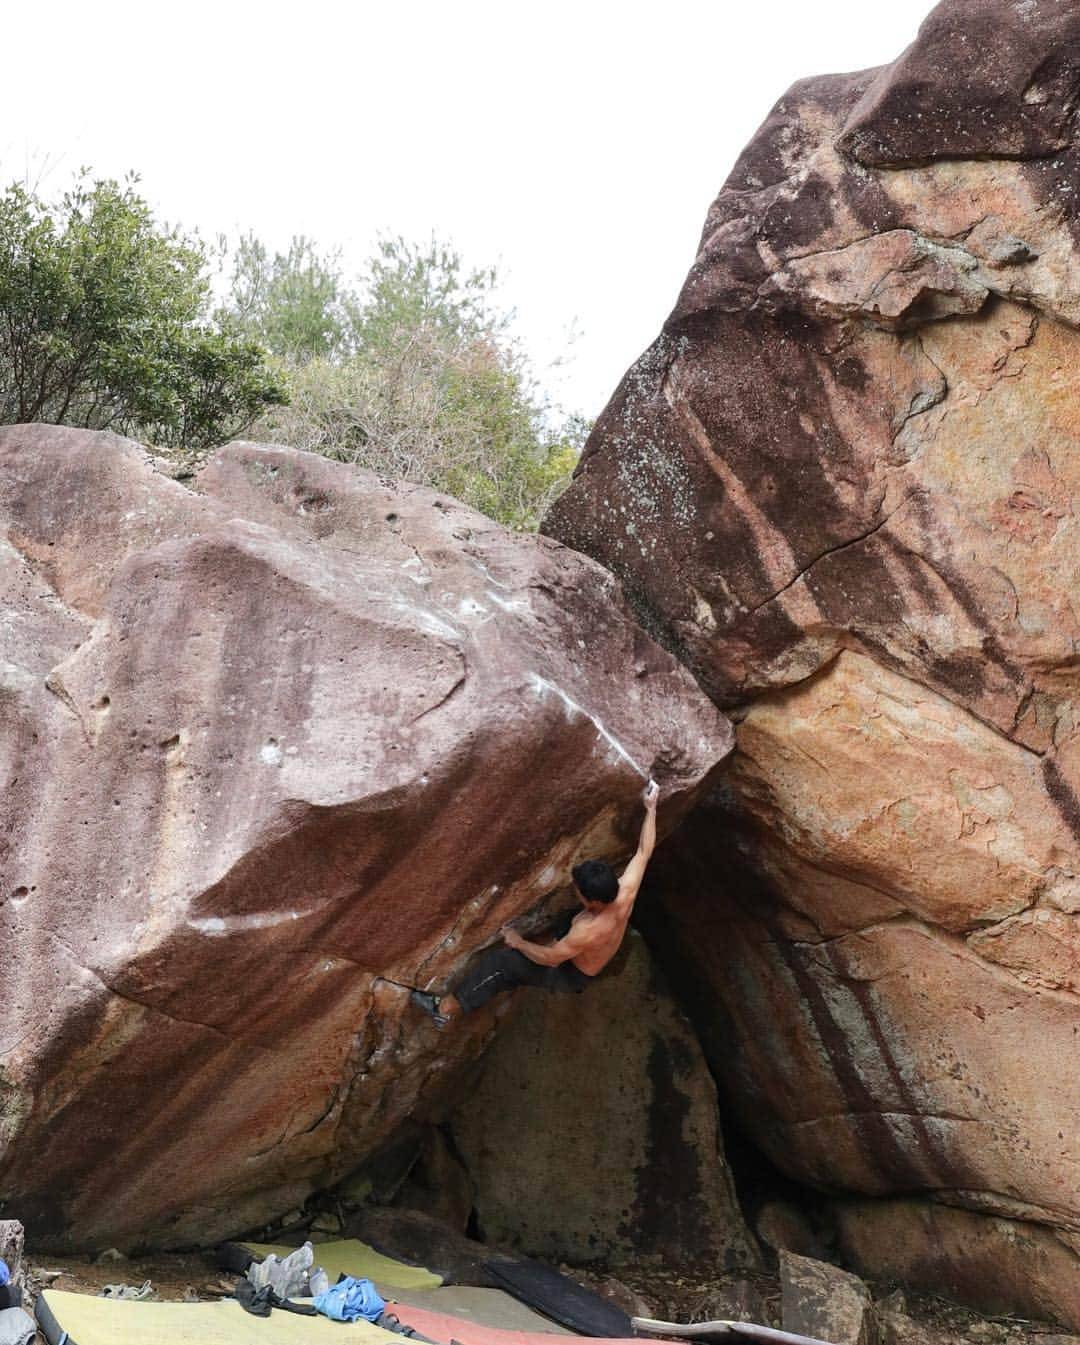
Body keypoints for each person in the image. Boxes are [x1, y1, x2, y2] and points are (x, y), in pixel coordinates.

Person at [412, 778, 660, 1028]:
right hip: (582, 945)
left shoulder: (586, 931)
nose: (574, 890)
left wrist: (518, 942)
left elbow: (551, 958)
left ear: (592, 900)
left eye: (578, 890)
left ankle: (442, 1010)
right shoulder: (626, 890)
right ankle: (517, 973)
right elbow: (643, 851)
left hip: (569, 974)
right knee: (552, 936)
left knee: (502, 964)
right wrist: (651, 808)